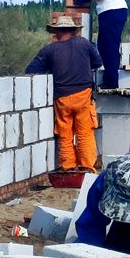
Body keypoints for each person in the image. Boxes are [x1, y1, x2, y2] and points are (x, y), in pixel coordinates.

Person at [25, 15, 102, 172]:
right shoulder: (85, 44)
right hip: (83, 97)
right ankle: (86, 168)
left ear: (57, 32)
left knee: (65, 134)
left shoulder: (49, 50)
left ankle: (67, 168)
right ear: (74, 31)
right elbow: (97, 63)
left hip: (62, 99)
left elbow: (30, 70)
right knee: (84, 133)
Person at [72, 0, 128, 89]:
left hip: (112, 10)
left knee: (108, 46)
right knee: (105, 46)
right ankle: (111, 80)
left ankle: (111, 83)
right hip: (113, 10)